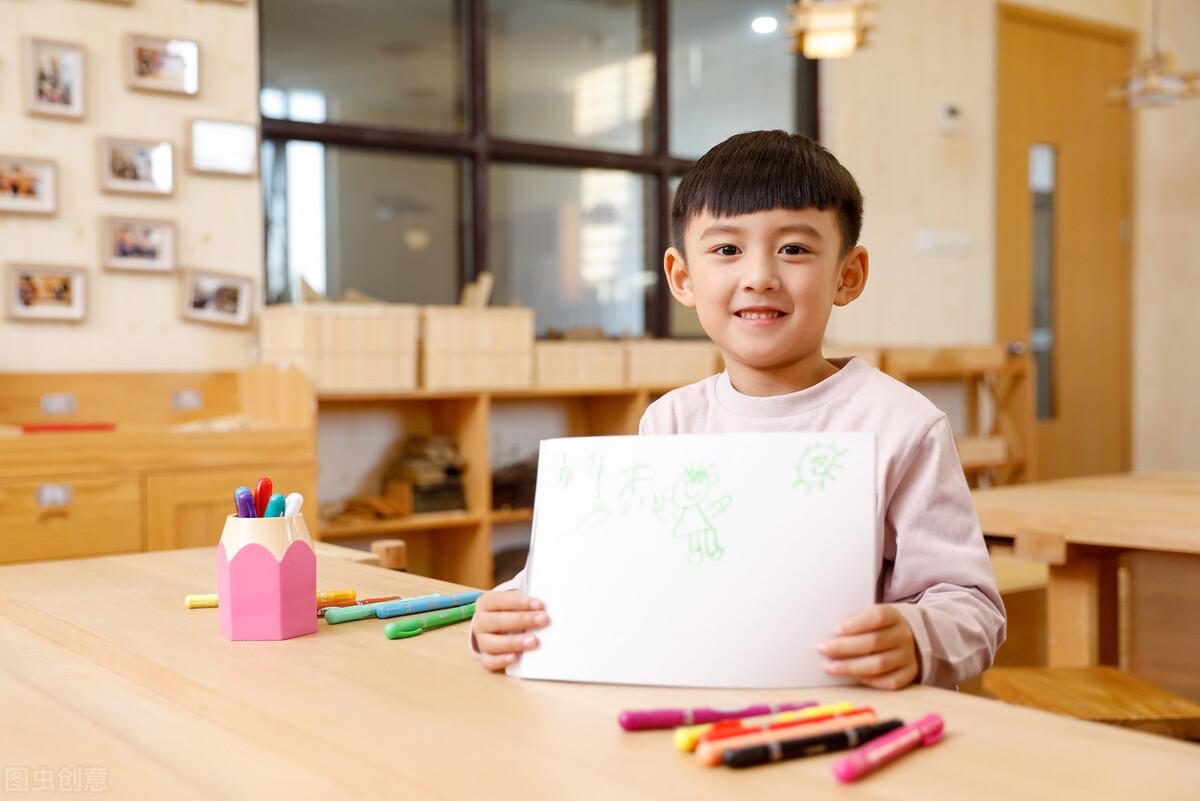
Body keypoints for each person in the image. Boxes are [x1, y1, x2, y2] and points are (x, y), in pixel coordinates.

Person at [470, 130, 1005, 690]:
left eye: (794, 249)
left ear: (847, 276)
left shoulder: (901, 426)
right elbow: (606, 568)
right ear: (682, 278)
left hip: (848, 718)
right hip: (691, 709)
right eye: (727, 250)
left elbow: (972, 606)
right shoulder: (670, 422)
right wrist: (506, 608)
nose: (759, 276)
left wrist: (917, 635)